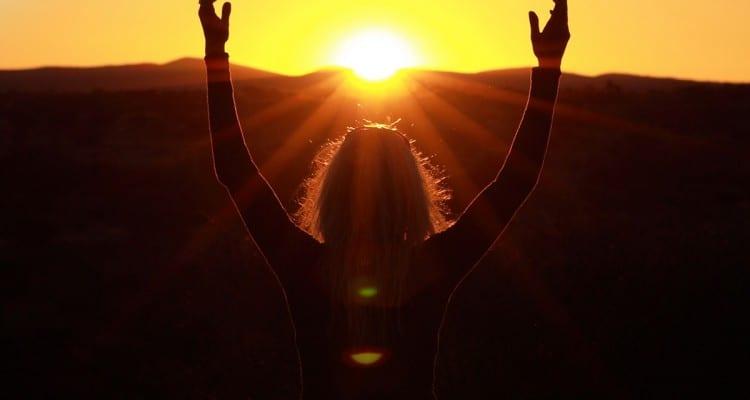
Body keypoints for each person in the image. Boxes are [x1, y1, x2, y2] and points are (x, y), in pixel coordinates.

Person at [199, 0, 570, 398]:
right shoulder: (433, 268)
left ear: (333, 191)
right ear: (411, 192)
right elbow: (517, 181)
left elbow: (234, 170)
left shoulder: (304, 266)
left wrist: (216, 55)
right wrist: (548, 68)